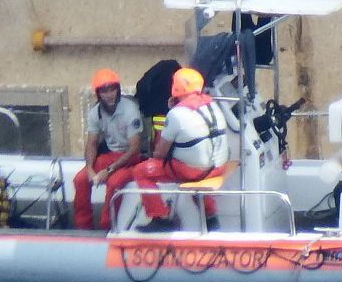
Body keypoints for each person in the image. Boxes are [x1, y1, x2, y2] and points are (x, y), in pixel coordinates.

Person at [129, 67, 230, 223]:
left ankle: (160, 217)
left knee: (141, 172)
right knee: (193, 165)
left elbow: (160, 154)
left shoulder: (176, 114)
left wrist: (171, 110)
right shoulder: (212, 105)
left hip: (195, 171)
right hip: (219, 167)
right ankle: (211, 216)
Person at [71, 68, 145, 230]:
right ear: (98, 94)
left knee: (114, 183)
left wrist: (109, 170)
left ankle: (107, 226)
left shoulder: (130, 110)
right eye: (104, 91)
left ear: (118, 89)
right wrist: (90, 168)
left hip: (131, 159)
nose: (110, 94)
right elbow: (91, 143)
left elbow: (134, 149)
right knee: (80, 179)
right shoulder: (95, 112)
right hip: (111, 156)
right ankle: (83, 227)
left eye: (112, 89)